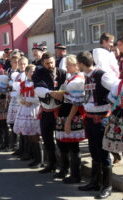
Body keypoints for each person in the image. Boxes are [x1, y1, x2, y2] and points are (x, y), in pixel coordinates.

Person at [76, 51, 118, 199]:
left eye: (77, 64)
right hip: (89, 118)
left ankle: (107, 186)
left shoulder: (102, 74)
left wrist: (111, 101)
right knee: (94, 150)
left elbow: (117, 87)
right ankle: (95, 182)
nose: (77, 66)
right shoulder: (87, 76)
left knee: (104, 152)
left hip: (101, 119)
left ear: (81, 64)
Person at [32, 52, 67, 174]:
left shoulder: (62, 73)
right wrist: (51, 92)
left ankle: (64, 167)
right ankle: (51, 164)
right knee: (47, 138)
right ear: (43, 63)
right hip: (46, 111)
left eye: (51, 62)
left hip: (60, 110)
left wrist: (61, 93)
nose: (50, 65)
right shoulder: (39, 73)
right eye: (47, 63)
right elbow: (38, 88)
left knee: (61, 140)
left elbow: (65, 86)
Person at [54, 55, 86, 183]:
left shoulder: (79, 80)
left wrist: (68, 120)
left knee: (73, 145)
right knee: (62, 143)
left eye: (68, 64)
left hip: (72, 114)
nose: (66, 67)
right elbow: (66, 97)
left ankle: (75, 174)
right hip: (64, 111)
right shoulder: (70, 78)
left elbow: (76, 103)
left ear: (76, 65)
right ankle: (65, 169)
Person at [13, 64, 43, 168]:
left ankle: (39, 160)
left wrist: (29, 100)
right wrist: (23, 102)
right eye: (31, 71)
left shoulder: (38, 84)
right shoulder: (22, 84)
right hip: (25, 109)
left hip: (34, 109)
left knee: (35, 136)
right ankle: (32, 156)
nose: (33, 73)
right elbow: (18, 97)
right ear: (26, 72)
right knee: (28, 135)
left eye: (34, 71)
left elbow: (40, 98)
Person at [6, 55, 21, 150]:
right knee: (12, 122)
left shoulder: (20, 73)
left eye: (17, 62)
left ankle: (16, 144)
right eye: (13, 62)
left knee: (17, 122)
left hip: (18, 99)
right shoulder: (9, 71)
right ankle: (13, 143)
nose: (15, 64)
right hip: (10, 97)